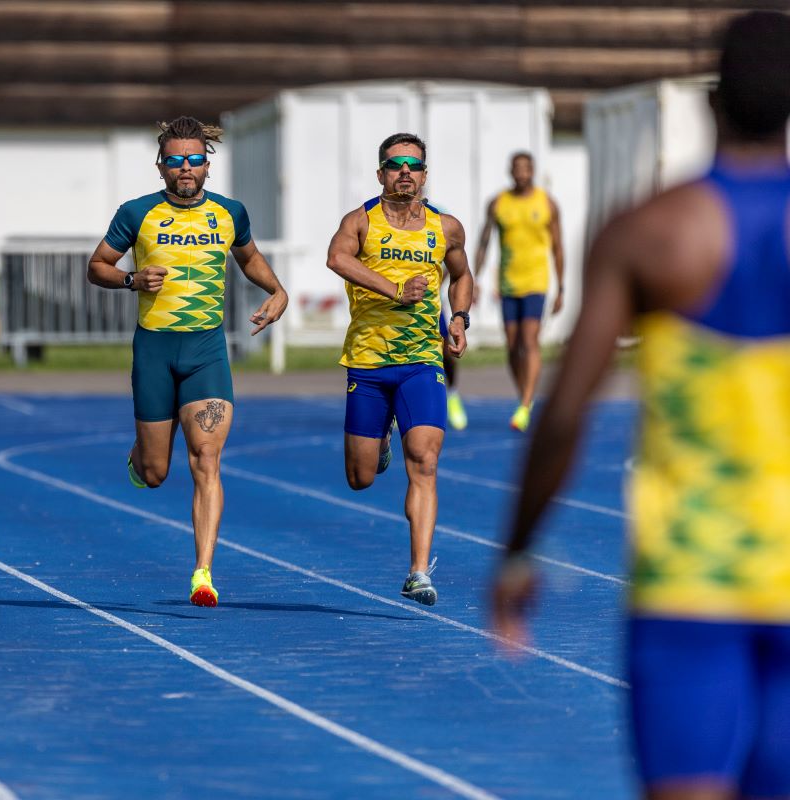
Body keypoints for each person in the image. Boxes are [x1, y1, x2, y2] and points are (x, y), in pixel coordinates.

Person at [492, 11, 790, 799]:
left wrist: (517, 552)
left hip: (692, 582)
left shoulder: (649, 235)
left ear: (711, 103)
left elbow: (564, 416)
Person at [87, 116, 288, 607]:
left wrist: (277, 290)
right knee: (156, 472)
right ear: (161, 166)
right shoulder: (137, 213)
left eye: (195, 160)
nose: (185, 168)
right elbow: (97, 267)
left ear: (207, 165)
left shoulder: (230, 213)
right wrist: (132, 281)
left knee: (206, 460)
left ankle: (203, 572)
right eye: (175, 160)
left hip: (205, 352)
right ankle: (140, 455)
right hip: (154, 351)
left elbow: (249, 257)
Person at [325, 133, 474, 606]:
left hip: (421, 361)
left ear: (425, 175)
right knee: (360, 478)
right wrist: (393, 289)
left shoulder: (445, 227)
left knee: (426, 461)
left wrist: (459, 317)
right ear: (381, 174)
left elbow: (462, 274)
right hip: (368, 362)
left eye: (413, 164)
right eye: (395, 165)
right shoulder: (360, 222)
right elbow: (336, 259)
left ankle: (418, 572)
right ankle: (381, 436)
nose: (404, 172)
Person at [473, 151, 565, 432]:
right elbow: (484, 242)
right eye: (517, 168)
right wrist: (474, 278)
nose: (522, 173)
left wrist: (561, 287)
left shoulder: (546, 203)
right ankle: (525, 395)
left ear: (533, 171)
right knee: (512, 347)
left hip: (536, 282)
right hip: (508, 283)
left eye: (526, 168)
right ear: (510, 171)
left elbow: (558, 247)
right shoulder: (498, 203)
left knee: (529, 340)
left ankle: (525, 405)